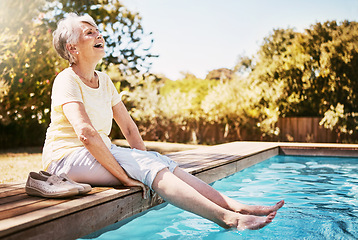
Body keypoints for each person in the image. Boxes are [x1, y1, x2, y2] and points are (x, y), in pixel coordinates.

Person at [42, 12, 284, 231]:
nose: (99, 34)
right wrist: (128, 177)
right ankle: (228, 218)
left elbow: (128, 127)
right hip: (65, 159)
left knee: (161, 161)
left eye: (98, 30)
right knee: (149, 167)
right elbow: (86, 133)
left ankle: (235, 206)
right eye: (90, 32)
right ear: (72, 48)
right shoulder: (67, 80)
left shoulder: (104, 81)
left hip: (97, 153)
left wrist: (145, 161)